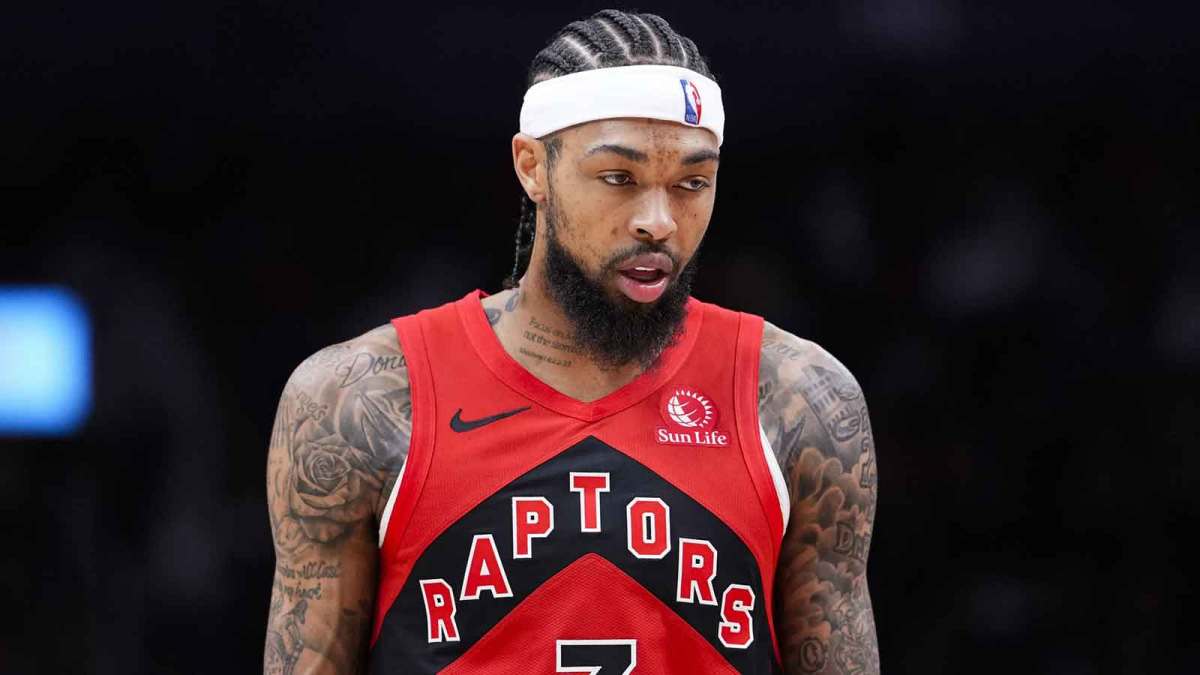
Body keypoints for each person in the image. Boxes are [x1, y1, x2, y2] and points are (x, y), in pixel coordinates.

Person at [263, 9, 879, 674]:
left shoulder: (799, 401)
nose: (658, 220)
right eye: (619, 177)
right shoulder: (360, 400)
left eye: (692, 183)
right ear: (533, 167)